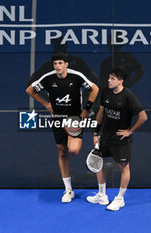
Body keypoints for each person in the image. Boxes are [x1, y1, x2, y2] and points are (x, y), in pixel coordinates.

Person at [26, 52, 99, 203]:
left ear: (66, 64)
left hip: (74, 118)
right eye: (55, 64)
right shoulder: (48, 78)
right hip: (58, 119)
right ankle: (68, 189)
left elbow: (95, 89)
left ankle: (88, 165)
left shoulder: (76, 76)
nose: (57, 66)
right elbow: (30, 90)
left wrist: (86, 109)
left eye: (60, 63)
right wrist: (46, 104)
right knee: (62, 151)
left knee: (74, 150)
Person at [86, 67, 147, 211]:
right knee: (99, 162)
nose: (109, 80)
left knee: (123, 167)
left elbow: (143, 116)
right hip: (105, 135)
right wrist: (96, 133)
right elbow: (101, 112)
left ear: (121, 81)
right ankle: (102, 195)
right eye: (109, 78)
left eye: (112, 79)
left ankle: (120, 199)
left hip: (120, 139)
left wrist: (129, 131)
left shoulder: (128, 96)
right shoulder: (106, 92)